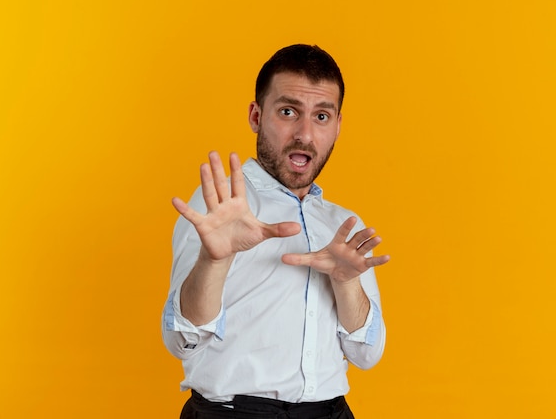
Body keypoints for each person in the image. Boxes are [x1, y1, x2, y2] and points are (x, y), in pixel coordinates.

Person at [162, 44, 390, 418]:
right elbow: (180, 342)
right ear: (256, 115)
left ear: (337, 125)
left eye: (321, 116)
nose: (304, 133)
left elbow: (366, 355)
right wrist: (213, 259)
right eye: (288, 112)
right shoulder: (218, 208)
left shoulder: (344, 225)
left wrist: (347, 282)